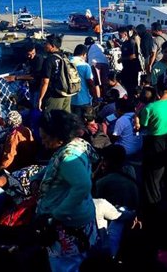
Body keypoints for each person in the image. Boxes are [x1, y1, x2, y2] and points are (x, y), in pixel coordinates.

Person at [33, 110, 97, 272]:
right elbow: (56, 165)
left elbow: (82, 185)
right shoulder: (77, 143)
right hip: (81, 214)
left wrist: (57, 214)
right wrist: (37, 178)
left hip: (68, 223)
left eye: (46, 137)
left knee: (68, 266)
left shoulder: (68, 159)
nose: (43, 141)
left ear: (59, 138)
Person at [135, 71, 167, 207]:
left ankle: (153, 209)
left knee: (152, 179)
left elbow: (143, 125)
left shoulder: (150, 108)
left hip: (155, 143)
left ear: (157, 87)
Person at [93, 145, 139, 211]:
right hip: (132, 213)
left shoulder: (103, 181)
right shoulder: (130, 170)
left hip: (114, 215)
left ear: (107, 162)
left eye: (104, 160)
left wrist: (95, 173)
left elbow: (96, 202)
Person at [38, 34, 72, 113]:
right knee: (65, 119)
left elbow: (45, 82)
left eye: (46, 43)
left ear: (52, 46)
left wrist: (40, 98)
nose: (44, 45)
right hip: (67, 93)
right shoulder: (64, 57)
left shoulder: (49, 60)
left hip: (55, 95)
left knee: (51, 119)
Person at [70, 44, 99, 118]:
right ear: (84, 54)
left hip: (68, 100)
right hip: (83, 101)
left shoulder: (66, 62)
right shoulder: (85, 65)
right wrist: (95, 98)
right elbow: (91, 84)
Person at [119, 27, 142, 97]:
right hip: (126, 68)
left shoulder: (131, 42)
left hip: (132, 68)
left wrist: (122, 59)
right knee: (124, 83)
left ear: (125, 34)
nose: (120, 37)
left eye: (120, 35)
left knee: (132, 86)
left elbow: (133, 56)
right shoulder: (124, 43)